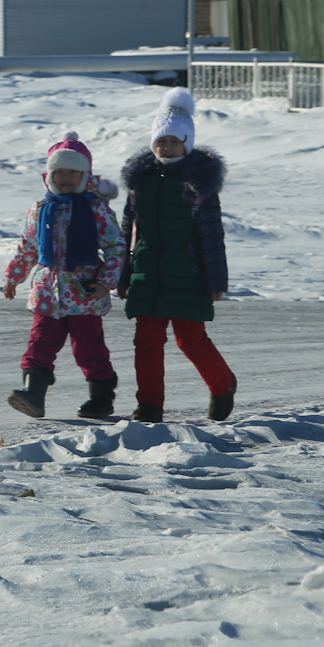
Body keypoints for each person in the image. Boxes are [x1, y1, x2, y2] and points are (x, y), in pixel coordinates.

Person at [118, 88, 237, 423]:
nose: (166, 147)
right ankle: (150, 405)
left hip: (188, 274)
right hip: (147, 272)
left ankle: (222, 384)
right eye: (161, 141)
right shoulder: (140, 181)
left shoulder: (199, 182)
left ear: (187, 142)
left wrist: (216, 280)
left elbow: (212, 235)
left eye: (174, 141)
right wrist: (123, 274)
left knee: (191, 339)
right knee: (146, 342)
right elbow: (128, 230)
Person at [2, 132, 124, 419]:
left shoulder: (97, 210)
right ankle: (33, 394)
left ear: (84, 176)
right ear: (49, 175)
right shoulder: (41, 209)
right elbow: (28, 246)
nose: (66, 178)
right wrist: (14, 275)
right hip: (47, 292)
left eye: (73, 172)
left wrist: (106, 283)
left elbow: (116, 247)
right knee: (39, 343)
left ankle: (101, 398)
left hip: (85, 292)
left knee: (89, 350)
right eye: (60, 172)